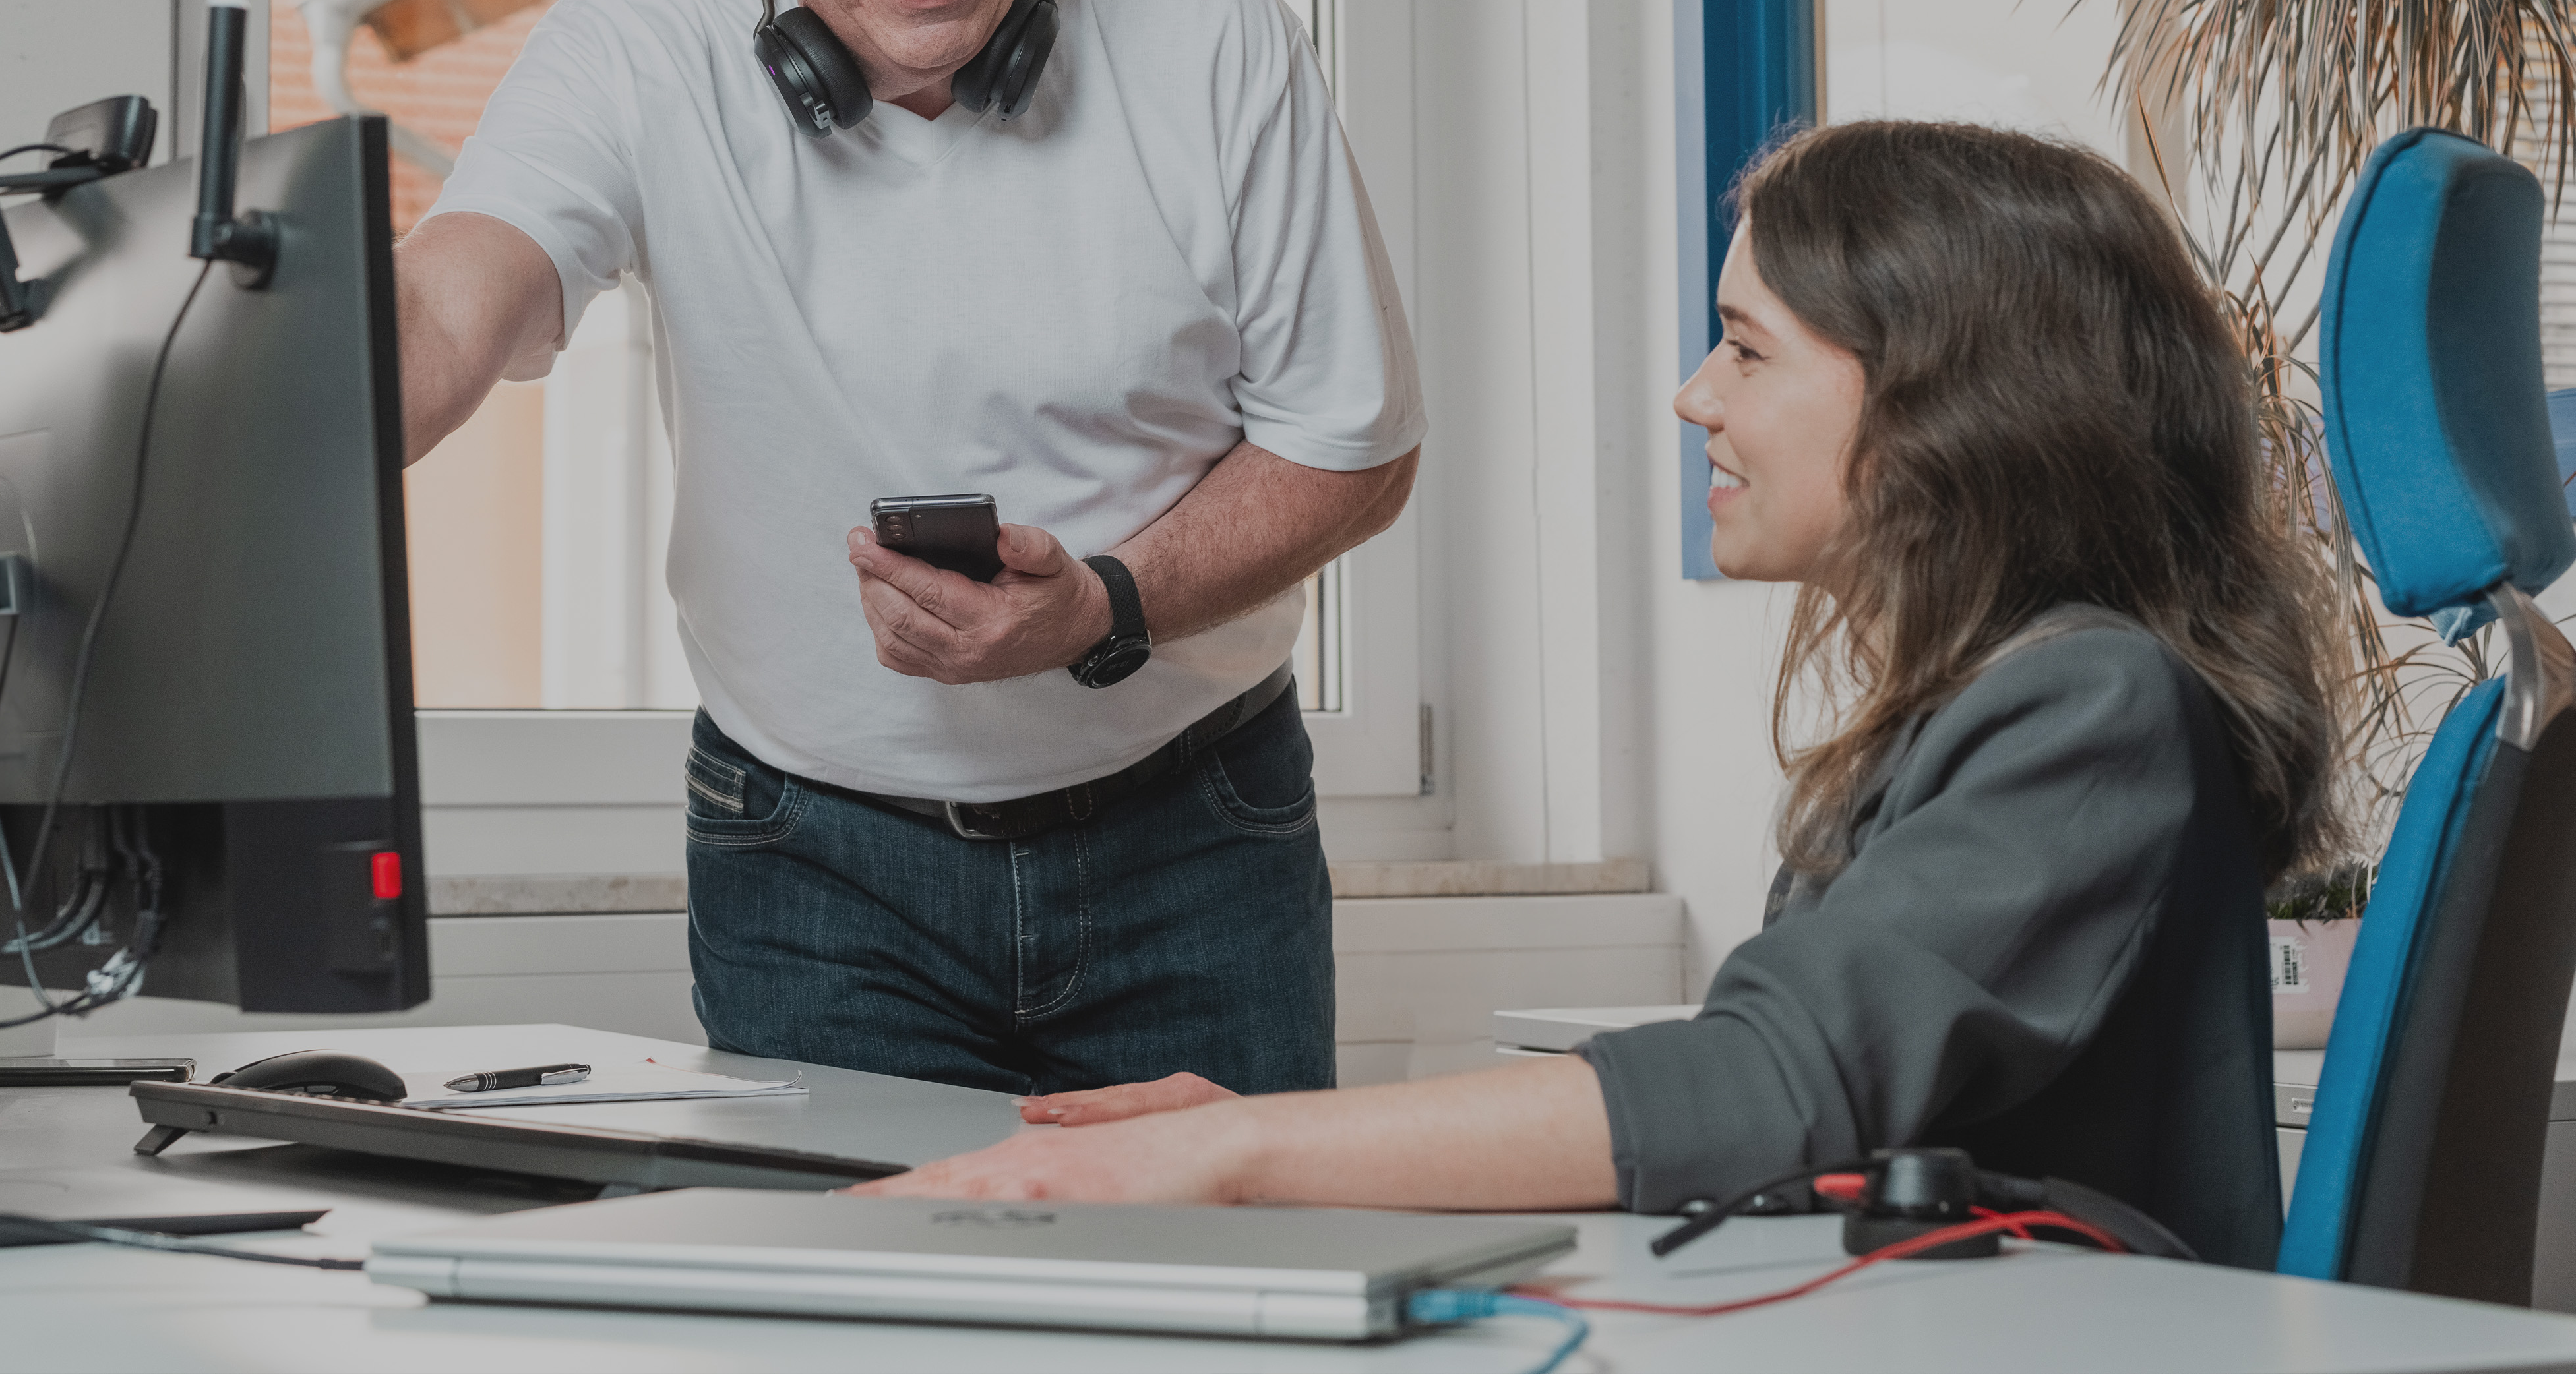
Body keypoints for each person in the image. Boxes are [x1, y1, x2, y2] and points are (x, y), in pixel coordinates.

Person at [865, 119, 2346, 1271]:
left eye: (1748, 349)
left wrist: (1241, 1153)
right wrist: (1260, 1139)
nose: (1698, 394)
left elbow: (1773, 1083)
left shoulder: (2096, 707)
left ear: (1941, 410)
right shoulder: (1989, 710)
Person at [392, 0, 1423, 1098]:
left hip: (1195, 835)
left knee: (1225, 1325)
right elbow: (446, 304)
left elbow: (1353, 448)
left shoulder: (1211, 32)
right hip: (810, 864)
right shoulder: (634, 48)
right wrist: (284, 404)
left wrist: (1104, 606)